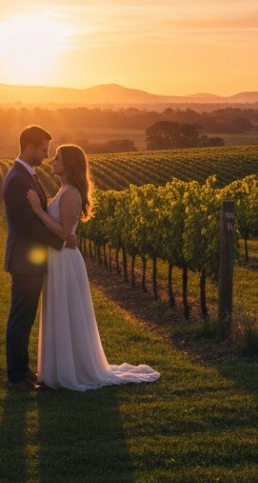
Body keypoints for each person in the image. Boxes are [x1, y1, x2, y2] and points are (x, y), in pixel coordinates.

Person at [25, 143, 160, 391]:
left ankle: (71, 371)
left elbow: (66, 234)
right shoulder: (65, 189)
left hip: (64, 258)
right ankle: (60, 368)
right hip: (58, 259)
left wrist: (37, 211)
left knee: (66, 313)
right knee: (61, 313)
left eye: (58, 158)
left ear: (69, 166)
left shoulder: (70, 194)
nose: (52, 161)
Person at [1, 125, 77, 392]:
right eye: (44, 149)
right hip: (24, 260)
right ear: (30, 147)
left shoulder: (25, 175)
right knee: (21, 318)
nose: (46, 155)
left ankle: (23, 371)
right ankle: (16, 376)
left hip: (29, 260)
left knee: (25, 317)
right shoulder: (18, 179)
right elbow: (26, 226)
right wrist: (61, 240)